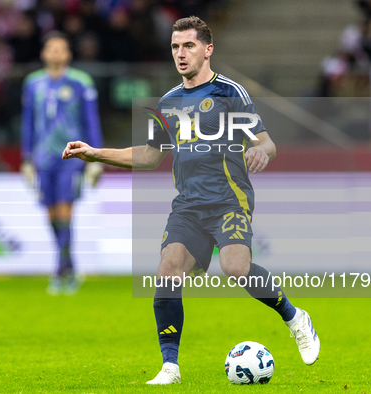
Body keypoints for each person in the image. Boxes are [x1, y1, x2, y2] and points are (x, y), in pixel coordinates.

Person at [62, 16, 320, 384]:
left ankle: (295, 318)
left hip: (229, 200)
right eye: (174, 47)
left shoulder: (229, 93)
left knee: (235, 268)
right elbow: (151, 156)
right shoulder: (167, 102)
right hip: (188, 205)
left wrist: (263, 152)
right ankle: (170, 367)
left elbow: (266, 141)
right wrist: (95, 153)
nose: (180, 54)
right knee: (167, 271)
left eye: (188, 46)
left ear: (207, 49)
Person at [21, 32, 103, 295]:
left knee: (66, 211)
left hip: (73, 157)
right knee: (51, 214)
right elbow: (28, 122)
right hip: (43, 158)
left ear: (68, 54)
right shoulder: (33, 84)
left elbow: (91, 120)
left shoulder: (80, 82)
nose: (56, 53)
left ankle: (60, 272)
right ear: (44, 54)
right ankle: (69, 266)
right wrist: (26, 158)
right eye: (51, 49)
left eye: (61, 49)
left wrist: (96, 158)